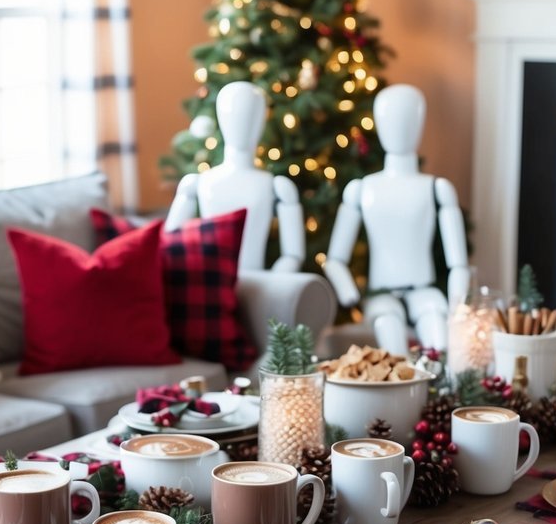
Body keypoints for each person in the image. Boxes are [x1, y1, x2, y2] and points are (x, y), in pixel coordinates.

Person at [323, 83, 469, 355]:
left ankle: (441, 387)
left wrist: (457, 304)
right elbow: (334, 259)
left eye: (408, 120)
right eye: (390, 119)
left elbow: (458, 263)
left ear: (420, 123)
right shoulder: (362, 189)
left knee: (439, 340)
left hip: (425, 292)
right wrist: (348, 293)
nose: (399, 128)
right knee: (392, 340)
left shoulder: (436, 188)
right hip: (381, 295)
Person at [165, 81, 305, 272]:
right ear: (221, 118)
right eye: (232, 114)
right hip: (212, 282)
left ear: (262, 119)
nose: (242, 123)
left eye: (251, 115)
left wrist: (274, 283)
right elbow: (169, 244)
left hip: (258, 283)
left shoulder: (277, 187)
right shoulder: (196, 183)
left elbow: (293, 255)